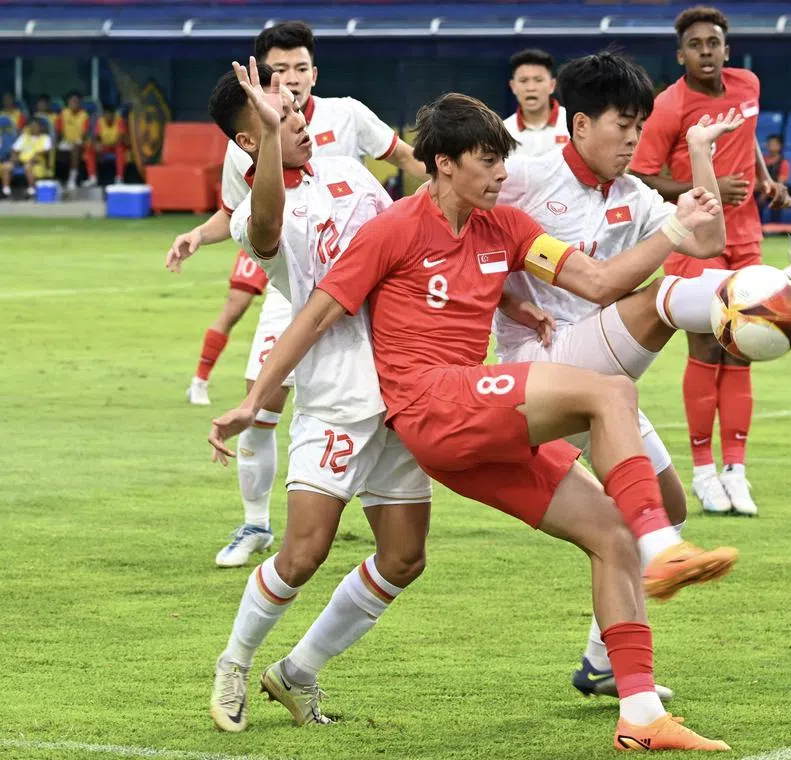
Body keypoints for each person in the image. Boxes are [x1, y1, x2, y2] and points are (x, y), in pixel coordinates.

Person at [209, 91, 739, 751]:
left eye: (501, 162)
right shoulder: (395, 227)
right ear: (443, 164)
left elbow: (600, 283)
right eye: (487, 163)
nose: (498, 175)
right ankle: (666, 550)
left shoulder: (507, 228)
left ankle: (639, 714)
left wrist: (676, 232)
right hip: (427, 404)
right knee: (609, 394)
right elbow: (315, 313)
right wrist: (254, 398)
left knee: (609, 536)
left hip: (467, 415)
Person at [494, 51, 791, 698]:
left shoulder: (629, 192)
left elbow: (706, 242)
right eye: (620, 125)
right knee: (662, 297)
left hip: (600, 378)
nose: (631, 139)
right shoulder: (524, 176)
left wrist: (701, 151)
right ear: (576, 125)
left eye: (638, 125)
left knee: (664, 509)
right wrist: (505, 298)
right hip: (533, 372)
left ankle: (601, 662)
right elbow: (468, 229)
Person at [204, 60, 435, 733]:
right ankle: (236, 661)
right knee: (304, 551)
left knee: (404, 556)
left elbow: (406, 243)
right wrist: (274, 141)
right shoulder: (256, 213)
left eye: (298, 110)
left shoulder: (349, 173)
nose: (300, 120)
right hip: (335, 397)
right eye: (278, 119)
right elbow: (271, 226)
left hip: (403, 390)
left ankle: (297, 673)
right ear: (250, 142)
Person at [164, 21, 427, 569]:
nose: (293, 80)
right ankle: (256, 522)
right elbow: (248, 218)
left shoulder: (347, 117)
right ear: (261, 74)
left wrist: (438, 194)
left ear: (315, 71)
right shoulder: (250, 147)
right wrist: (197, 234)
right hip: (294, 291)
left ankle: (368, 504)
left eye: (300, 68)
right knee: (262, 408)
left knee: (386, 406)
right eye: (280, 70)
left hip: (366, 292)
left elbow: (404, 158)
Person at [630, 5, 791, 517]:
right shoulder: (668, 106)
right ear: (681, 55)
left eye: (714, 42)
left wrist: (764, 178)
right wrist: (711, 188)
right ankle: (703, 473)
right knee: (706, 344)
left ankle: (736, 472)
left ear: (727, 48)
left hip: (746, 236)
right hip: (698, 238)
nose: (706, 51)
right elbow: (643, 175)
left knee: (746, 344)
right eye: (696, 44)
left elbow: (746, 134)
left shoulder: (748, 85)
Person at [502, 48, 570, 157]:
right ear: (513, 86)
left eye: (538, 80)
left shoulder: (573, 124)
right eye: (523, 81)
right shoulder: (503, 131)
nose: (531, 88)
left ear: (552, 85)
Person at [0, 117, 52, 198]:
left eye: (35, 126)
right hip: (20, 162)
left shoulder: (45, 138)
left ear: (40, 127)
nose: (33, 128)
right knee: (7, 166)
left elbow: (45, 151)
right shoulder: (24, 137)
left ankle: (31, 190)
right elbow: (14, 150)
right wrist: (14, 158)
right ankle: (6, 191)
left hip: (37, 162)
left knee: (28, 166)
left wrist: (32, 159)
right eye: (31, 126)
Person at [84, 108, 129, 186]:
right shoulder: (100, 121)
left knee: (120, 149)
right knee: (89, 148)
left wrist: (111, 144)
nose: (108, 117)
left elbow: (121, 138)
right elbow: (97, 137)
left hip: (115, 146)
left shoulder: (119, 121)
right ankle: (92, 177)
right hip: (105, 146)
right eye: (106, 115)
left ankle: (119, 178)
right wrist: (97, 144)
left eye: (110, 115)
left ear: (113, 115)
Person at [58, 92, 90, 190]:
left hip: (80, 142)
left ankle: (72, 179)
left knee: (75, 148)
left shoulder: (84, 115)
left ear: (79, 103)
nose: (73, 104)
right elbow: (59, 130)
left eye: (76, 102)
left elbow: (85, 134)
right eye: (72, 102)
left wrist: (78, 141)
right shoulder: (63, 113)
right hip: (66, 141)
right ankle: (57, 179)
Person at [762, 133, 791, 223]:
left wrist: (766, 194)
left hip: (775, 190)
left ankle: (775, 225)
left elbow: (781, 181)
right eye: (770, 144)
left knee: (778, 196)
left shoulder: (784, 162)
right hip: (761, 189)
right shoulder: (762, 161)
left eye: (775, 144)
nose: (771, 146)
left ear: (780, 146)